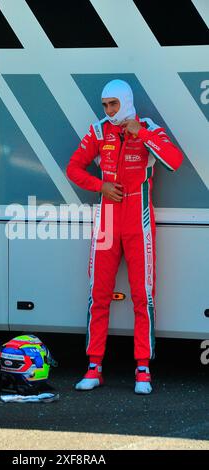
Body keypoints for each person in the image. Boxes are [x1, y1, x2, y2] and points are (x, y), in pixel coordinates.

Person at [66, 79, 183, 394]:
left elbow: (174, 160)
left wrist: (141, 134)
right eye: (105, 105)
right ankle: (94, 367)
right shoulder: (98, 131)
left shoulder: (147, 127)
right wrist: (99, 186)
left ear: (126, 102)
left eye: (113, 104)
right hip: (106, 221)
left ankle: (143, 370)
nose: (108, 111)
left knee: (143, 297)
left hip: (138, 222)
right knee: (98, 296)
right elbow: (74, 168)